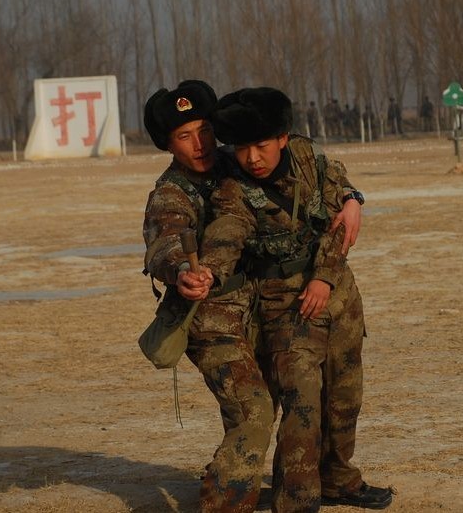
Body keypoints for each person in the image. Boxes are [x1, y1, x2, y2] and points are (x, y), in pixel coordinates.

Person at [200, 87, 393, 512]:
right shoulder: (232, 186)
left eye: (261, 145)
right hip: (283, 304)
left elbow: (341, 211)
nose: (253, 157)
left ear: (283, 138)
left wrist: (325, 275)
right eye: (243, 147)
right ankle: (297, 500)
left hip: (338, 293)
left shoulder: (309, 158)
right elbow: (227, 231)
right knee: (303, 400)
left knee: (344, 395)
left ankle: (339, 479)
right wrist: (209, 270)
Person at [141, 80, 274, 513]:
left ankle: (242, 483)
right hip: (209, 318)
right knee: (253, 410)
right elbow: (164, 242)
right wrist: (183, 271)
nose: (199, 144)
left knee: (262, 405)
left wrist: (350, 197)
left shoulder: (235, 163)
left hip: (260, 304)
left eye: (204, 131)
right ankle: (224, 503)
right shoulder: (170, 193)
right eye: (184, 136)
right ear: (167, 144)